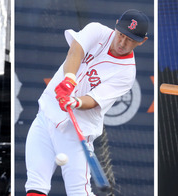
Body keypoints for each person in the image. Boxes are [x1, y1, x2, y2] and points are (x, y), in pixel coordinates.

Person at [24, 9, 149, 195]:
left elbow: (94, 100)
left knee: (78, 192)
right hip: (46, 115)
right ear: (116, 25)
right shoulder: (96, 30)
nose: (122, 43)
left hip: (75, 131)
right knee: (35, 186)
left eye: (130, 39)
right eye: (121, 35)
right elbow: (75, 51)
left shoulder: (127, 73)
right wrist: (69, 80)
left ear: (141, 41)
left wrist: (74, 101)